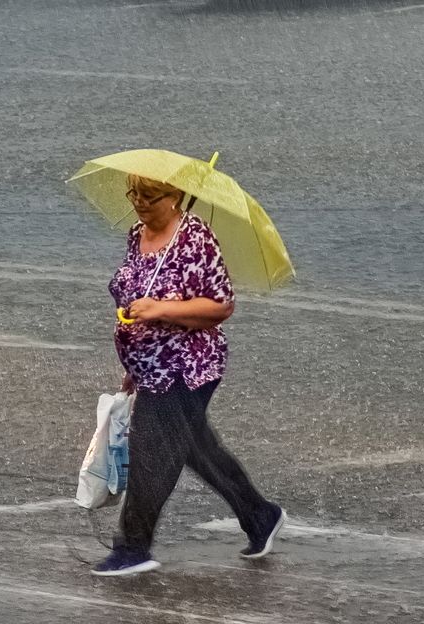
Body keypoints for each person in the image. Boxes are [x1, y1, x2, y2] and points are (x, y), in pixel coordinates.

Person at [91, 174, 286, 577]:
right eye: (134, 194)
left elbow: (220, 306)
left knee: (153, 452)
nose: (139, 203)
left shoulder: (195, 239)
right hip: (151, 367)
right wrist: (134, 366)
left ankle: (133, 547)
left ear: (176, 196)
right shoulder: (136, 234)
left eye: (149, 196)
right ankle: (260, 516)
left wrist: (161, 310)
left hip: (187, 367)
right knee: (195, 448)